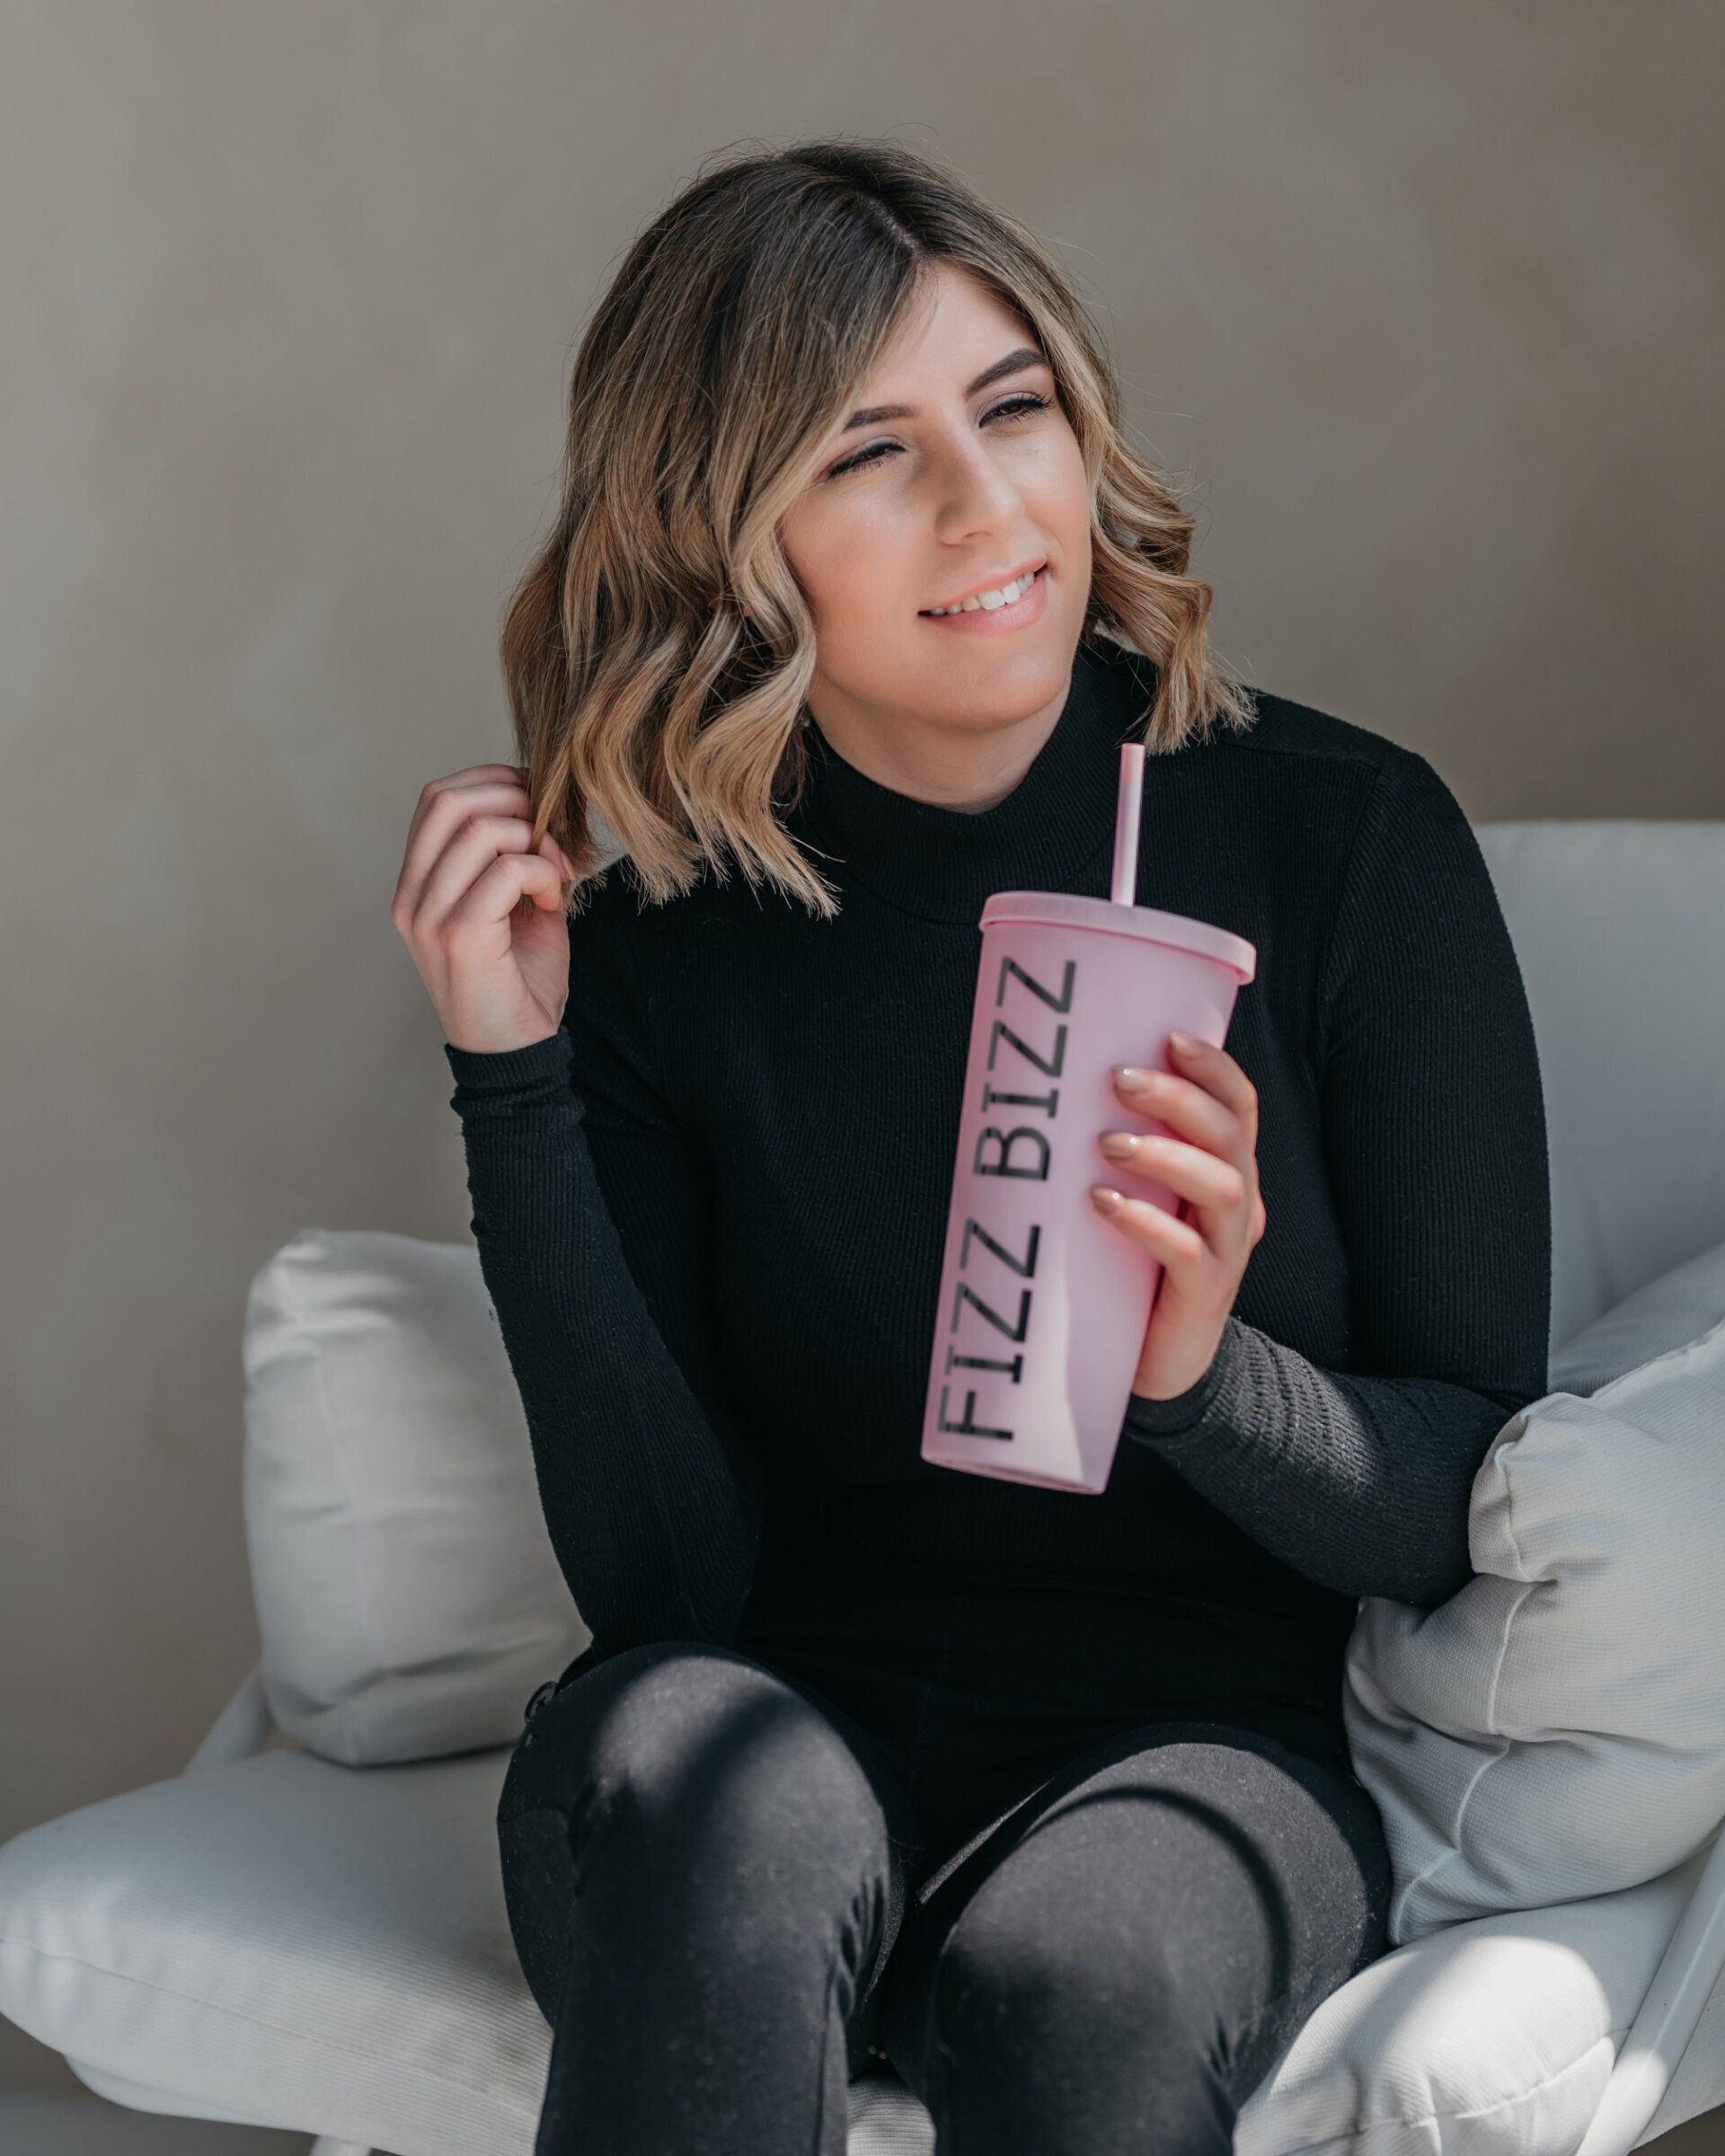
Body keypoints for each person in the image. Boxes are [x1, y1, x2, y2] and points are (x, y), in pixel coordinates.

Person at [392, 137, 1552, 2156]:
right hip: (762, 1735)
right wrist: (518, 1081)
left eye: (1012, 409)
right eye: (866, 451)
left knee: (1079, 1982)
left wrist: (1196, 1370)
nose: (984, 501)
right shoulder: (664, 947)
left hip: (1194, 1752)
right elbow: (675, 1581)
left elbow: (1461, 1494)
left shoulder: (1341, 842)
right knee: (710, 1796)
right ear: (726, 537)